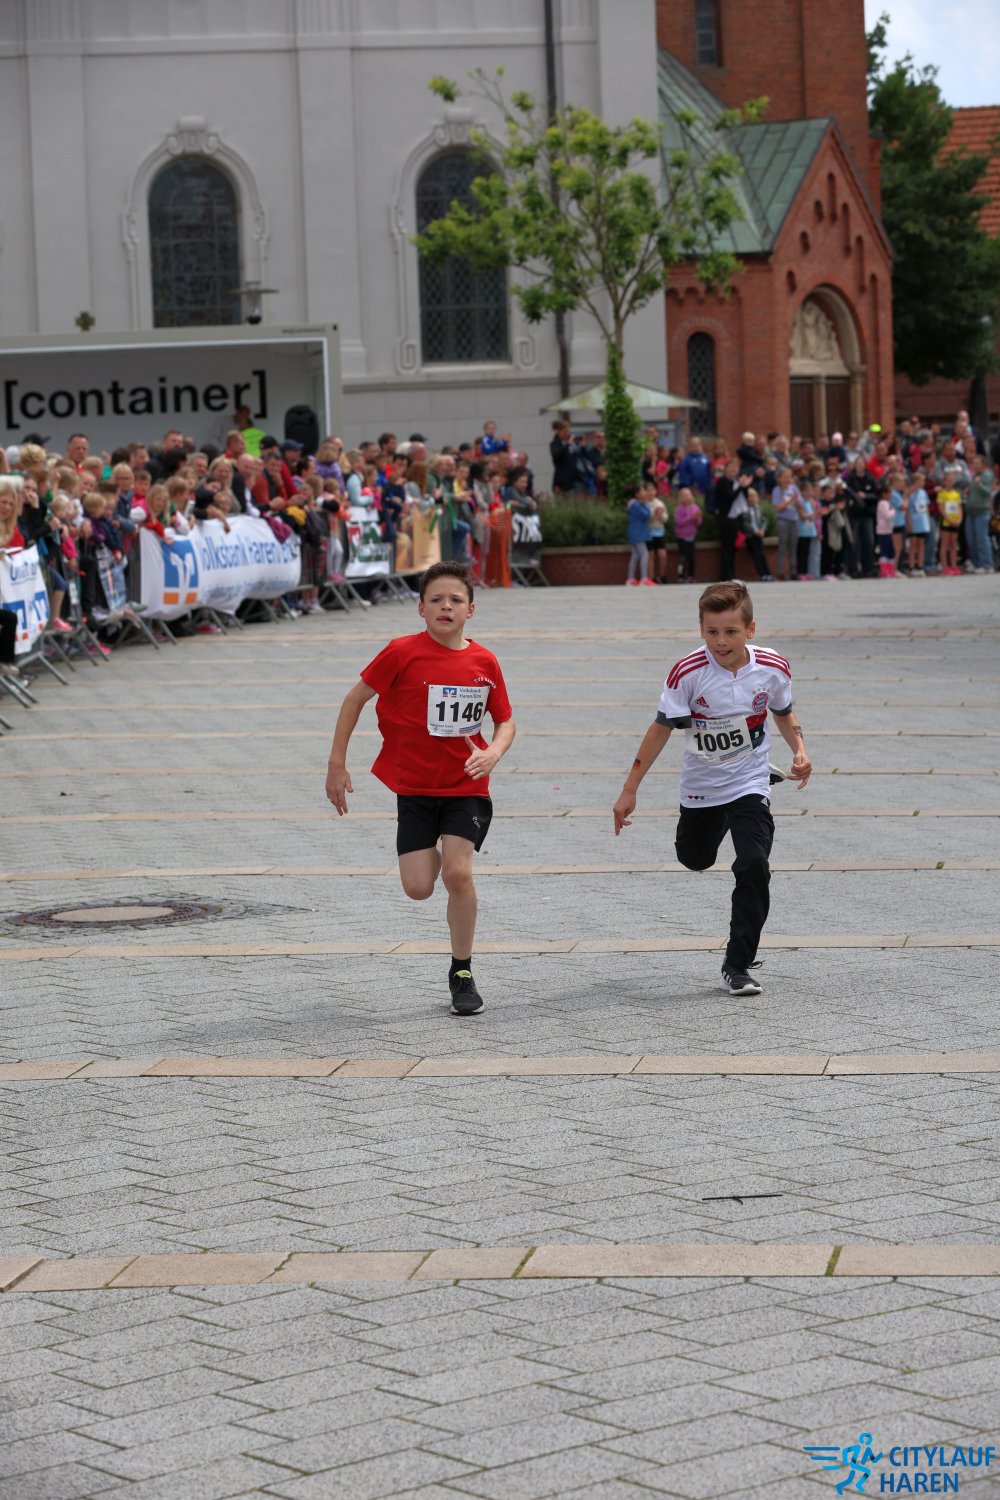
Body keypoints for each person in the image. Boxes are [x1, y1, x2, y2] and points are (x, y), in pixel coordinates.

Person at [325, 561, 516, 1016]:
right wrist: (336, 763)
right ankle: (435, 853)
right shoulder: (401, 652)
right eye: (436, 599)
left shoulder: (485, 661)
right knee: (417, 888)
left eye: (455, 600)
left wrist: (493, 752)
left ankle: (462, 972)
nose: (445, 606)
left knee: (458, 874)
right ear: (421, 609)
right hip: (414, 787)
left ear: (471, 609)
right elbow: (354, 699)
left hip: (466, 785)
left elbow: (505, 721)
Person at [612, 581, 812, 997]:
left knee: (753, 864)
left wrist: (800, 750)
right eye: (712, 632)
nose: (721, 641)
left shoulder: (772, 667)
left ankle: (737, 965)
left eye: (731, 632)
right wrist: (629, 789)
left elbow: (783, 712)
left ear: (750, 629)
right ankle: (721, 816)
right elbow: (660, 730)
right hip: (702, 785)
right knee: (695, 858)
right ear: (701, 629)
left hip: (749, 779)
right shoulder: (688, 672)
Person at [673, 486, 702, 583]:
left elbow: (698, 523)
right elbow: (678, 522)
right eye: (684, 495)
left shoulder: (695, 507)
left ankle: (691, 576)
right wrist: (690, 517)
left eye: (688, 495)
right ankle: (680, 576)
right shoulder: (679, 509)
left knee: (691, 557)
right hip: (682, 537)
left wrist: (697, 518)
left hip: (692, 536)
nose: (686, 497)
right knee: (683, 557)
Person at [626, 481, 652, 586]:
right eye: (642, 491)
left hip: (635, 533)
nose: (645, 493)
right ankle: (644, 578)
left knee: (635, 555)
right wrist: (646, 503)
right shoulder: (636, 505)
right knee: (645, 554)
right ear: (637, 494)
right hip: (638, 533)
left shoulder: (634, 504)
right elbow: (647, 514)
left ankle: (630, 578)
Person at [937, 472, 963, 575]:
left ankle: (954, 565)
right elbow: (941, 508)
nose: (950, 482)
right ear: (944, 482)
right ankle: (945, 566)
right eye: (948, 480)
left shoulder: (956, 493)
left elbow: (959, 507)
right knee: (945, 544)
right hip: (946, 523)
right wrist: (949, 520)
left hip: (955, 522)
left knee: (953, 545)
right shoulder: (941, 494)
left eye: (952, 481)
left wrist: (959, 519)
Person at [904, 471, 930, 577]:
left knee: (921, 545)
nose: (923, 482)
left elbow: (926, 506)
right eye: (921, 480)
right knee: (913, 545)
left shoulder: (923, 492)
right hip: (913, 521)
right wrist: (909, 522)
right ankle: (911, 566)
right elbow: (906, 509)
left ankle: (920, 566)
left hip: (922, 521)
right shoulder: (909, 492)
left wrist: (927, 520)